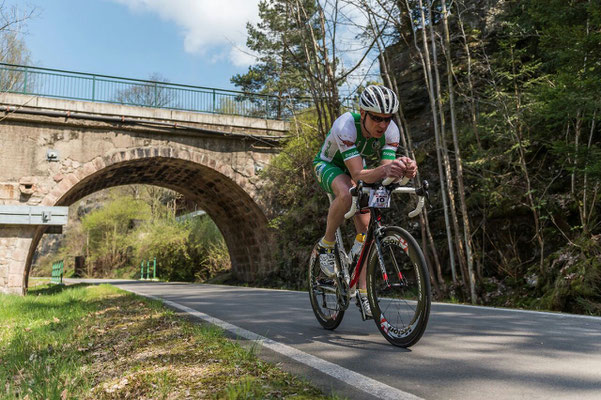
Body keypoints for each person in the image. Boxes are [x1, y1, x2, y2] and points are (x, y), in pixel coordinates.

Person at [313, 85, 418, 317]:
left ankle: (363, 291)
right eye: (377, 118)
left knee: (367, 230)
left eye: (387, 119)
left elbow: (383, 171)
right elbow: (359, 175)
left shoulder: (392, 132)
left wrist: (403, 170)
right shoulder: (346, 126)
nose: (383, 125)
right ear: (363, 113)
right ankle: (326, 245)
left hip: (359, 171)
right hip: (330, 166)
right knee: (345, 192)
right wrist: (386, 170)